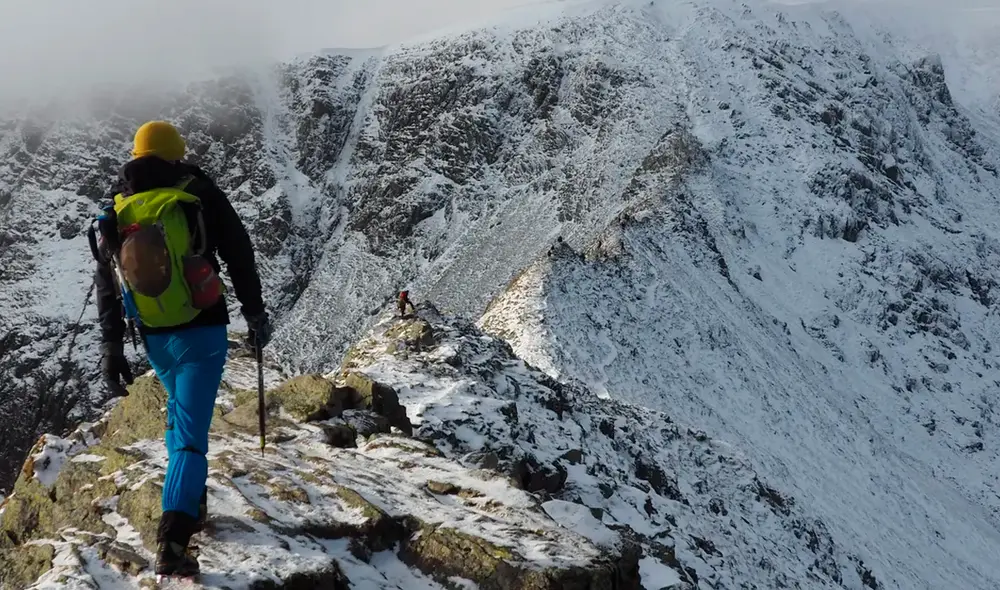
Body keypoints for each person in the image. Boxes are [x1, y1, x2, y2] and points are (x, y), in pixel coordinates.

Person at [95, 121, 272, 578]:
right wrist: (254, 313)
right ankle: (173, 538)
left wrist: (112, 346)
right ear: (175, 155)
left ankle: (192, 502)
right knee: (191, 439)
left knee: (180, 412)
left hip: (153, 332)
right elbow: (239, 252)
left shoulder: (118, 206)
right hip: (202, 328)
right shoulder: (198, 192)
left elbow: (106, 283)